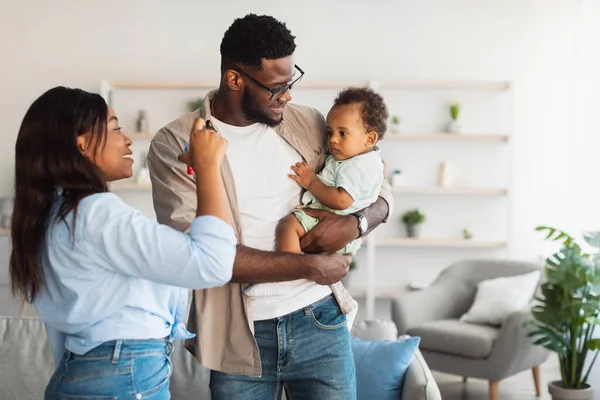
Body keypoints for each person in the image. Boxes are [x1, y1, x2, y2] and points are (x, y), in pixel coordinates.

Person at [147, 14, 393, 399]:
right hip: (239, 333)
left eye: (291, 82)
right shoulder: (174, 144)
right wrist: (309, 265)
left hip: (319, 320)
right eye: (277, 88)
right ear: (235, 79)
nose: (288, 96)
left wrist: (358, 224)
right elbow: (199, 255)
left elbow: (378, 184)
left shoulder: (308, 122)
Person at [9, 86, 237, 399]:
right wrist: (209, 167)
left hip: (79, 374)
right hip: (123, 374)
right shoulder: (96, 213)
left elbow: (62, 336)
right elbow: (213, 263)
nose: (127, 139)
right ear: (83, 145)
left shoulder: (51, 216)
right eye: (115, 128)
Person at [245, 87, 388, 298]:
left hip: (333, 218)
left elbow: (341, 200)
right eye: (330, 133)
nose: (333, 140)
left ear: (369, 139)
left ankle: (285, 279)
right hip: (336, 222)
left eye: (343, 133)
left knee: (288, 227)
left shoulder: (357, 166)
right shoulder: (363, 159)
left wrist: (311, 181)